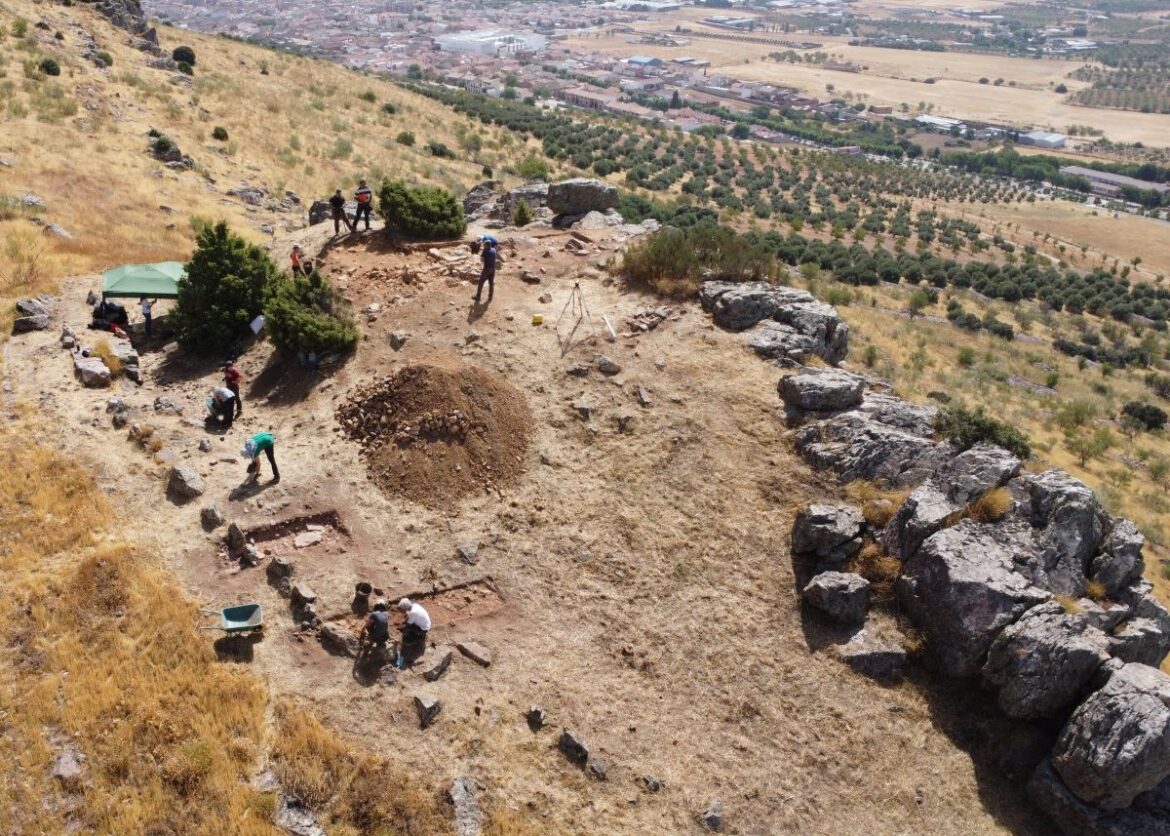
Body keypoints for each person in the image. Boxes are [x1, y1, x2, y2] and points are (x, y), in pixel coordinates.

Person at [396, 597, 431, 667]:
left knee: (406, 633)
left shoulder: (413, 612)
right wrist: (404, 622)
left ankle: (415, 639)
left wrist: (403, 630)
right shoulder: (415, 605)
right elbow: (409, 618)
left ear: (405, 608)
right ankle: (418, 636)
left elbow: (408, 625)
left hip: (423, 629)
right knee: (407, 625)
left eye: (402, 609)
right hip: (425, 624)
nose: (402, 611)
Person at [473, 236, 497, 305]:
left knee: (481, 283)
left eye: (484, 245)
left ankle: (478, 297)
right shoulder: (494, 250)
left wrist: (482, 252)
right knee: (491, 283)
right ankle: (490, 297)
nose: (484, 246)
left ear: (486, 245)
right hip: (493, 269)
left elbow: (481, 260)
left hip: (486, 269)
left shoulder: (485, 251)